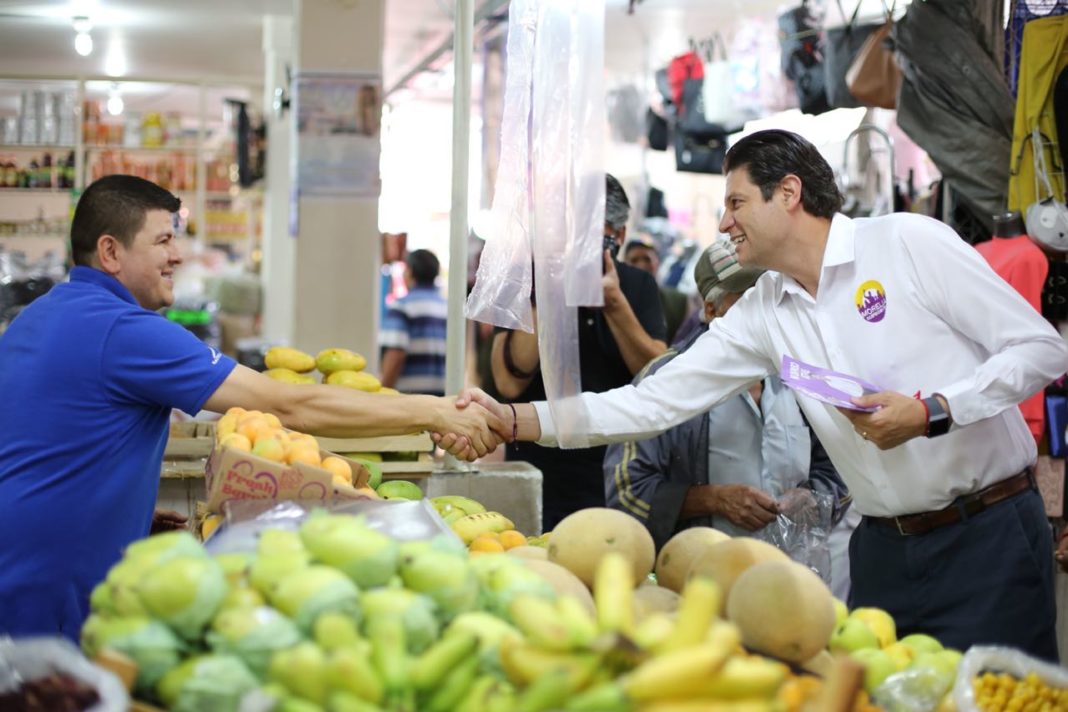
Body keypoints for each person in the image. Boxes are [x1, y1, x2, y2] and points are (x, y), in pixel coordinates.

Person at [453, 130, 1068, 661]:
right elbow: (653, 402)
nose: (723, 223)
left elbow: (1042, 350)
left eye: (736, 201)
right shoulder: (766, 313)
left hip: (987, 536)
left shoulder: (907, 243)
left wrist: (934, 411)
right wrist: (514, 418)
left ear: (790, 193)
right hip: (884, 553)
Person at [0, 175, 501, 641]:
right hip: (52, 578)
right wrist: (436, 412)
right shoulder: (126, 331)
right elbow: (290, 403)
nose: (178, 255)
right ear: (110, 251)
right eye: (163, 241)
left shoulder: (39, 315)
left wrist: (122, 508)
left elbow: (42, 438)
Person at [606, 240, 857, 598]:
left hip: (789, 587)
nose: (768, 310)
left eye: (772, 294)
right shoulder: (666, 379)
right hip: (697, 586)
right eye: (750, 299)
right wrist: (711, 499)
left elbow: (843, 468)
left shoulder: (803, 375)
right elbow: (626, 491)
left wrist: (814, 498)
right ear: (710, 308)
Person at [491, 174, 667, 530]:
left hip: (617, 478)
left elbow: (657, 376)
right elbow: (508, 382)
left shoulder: (637, 286)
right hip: (538, 473)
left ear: (616, 235)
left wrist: (614, 302)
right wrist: (554, 291)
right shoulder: (529, 280)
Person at [379, 249, 448, 396]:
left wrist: (382, 391)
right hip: (442, 398)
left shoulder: (402, 306)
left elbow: (395, 354)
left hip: (409, 399)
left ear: (410, 272)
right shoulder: (447, 308)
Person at [622, 237, 689, 344]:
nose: (641, 265)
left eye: (647, 259)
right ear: (624, 266)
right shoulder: (617, 300)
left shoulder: (678, 301)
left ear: (657, 263)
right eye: (634, 260)